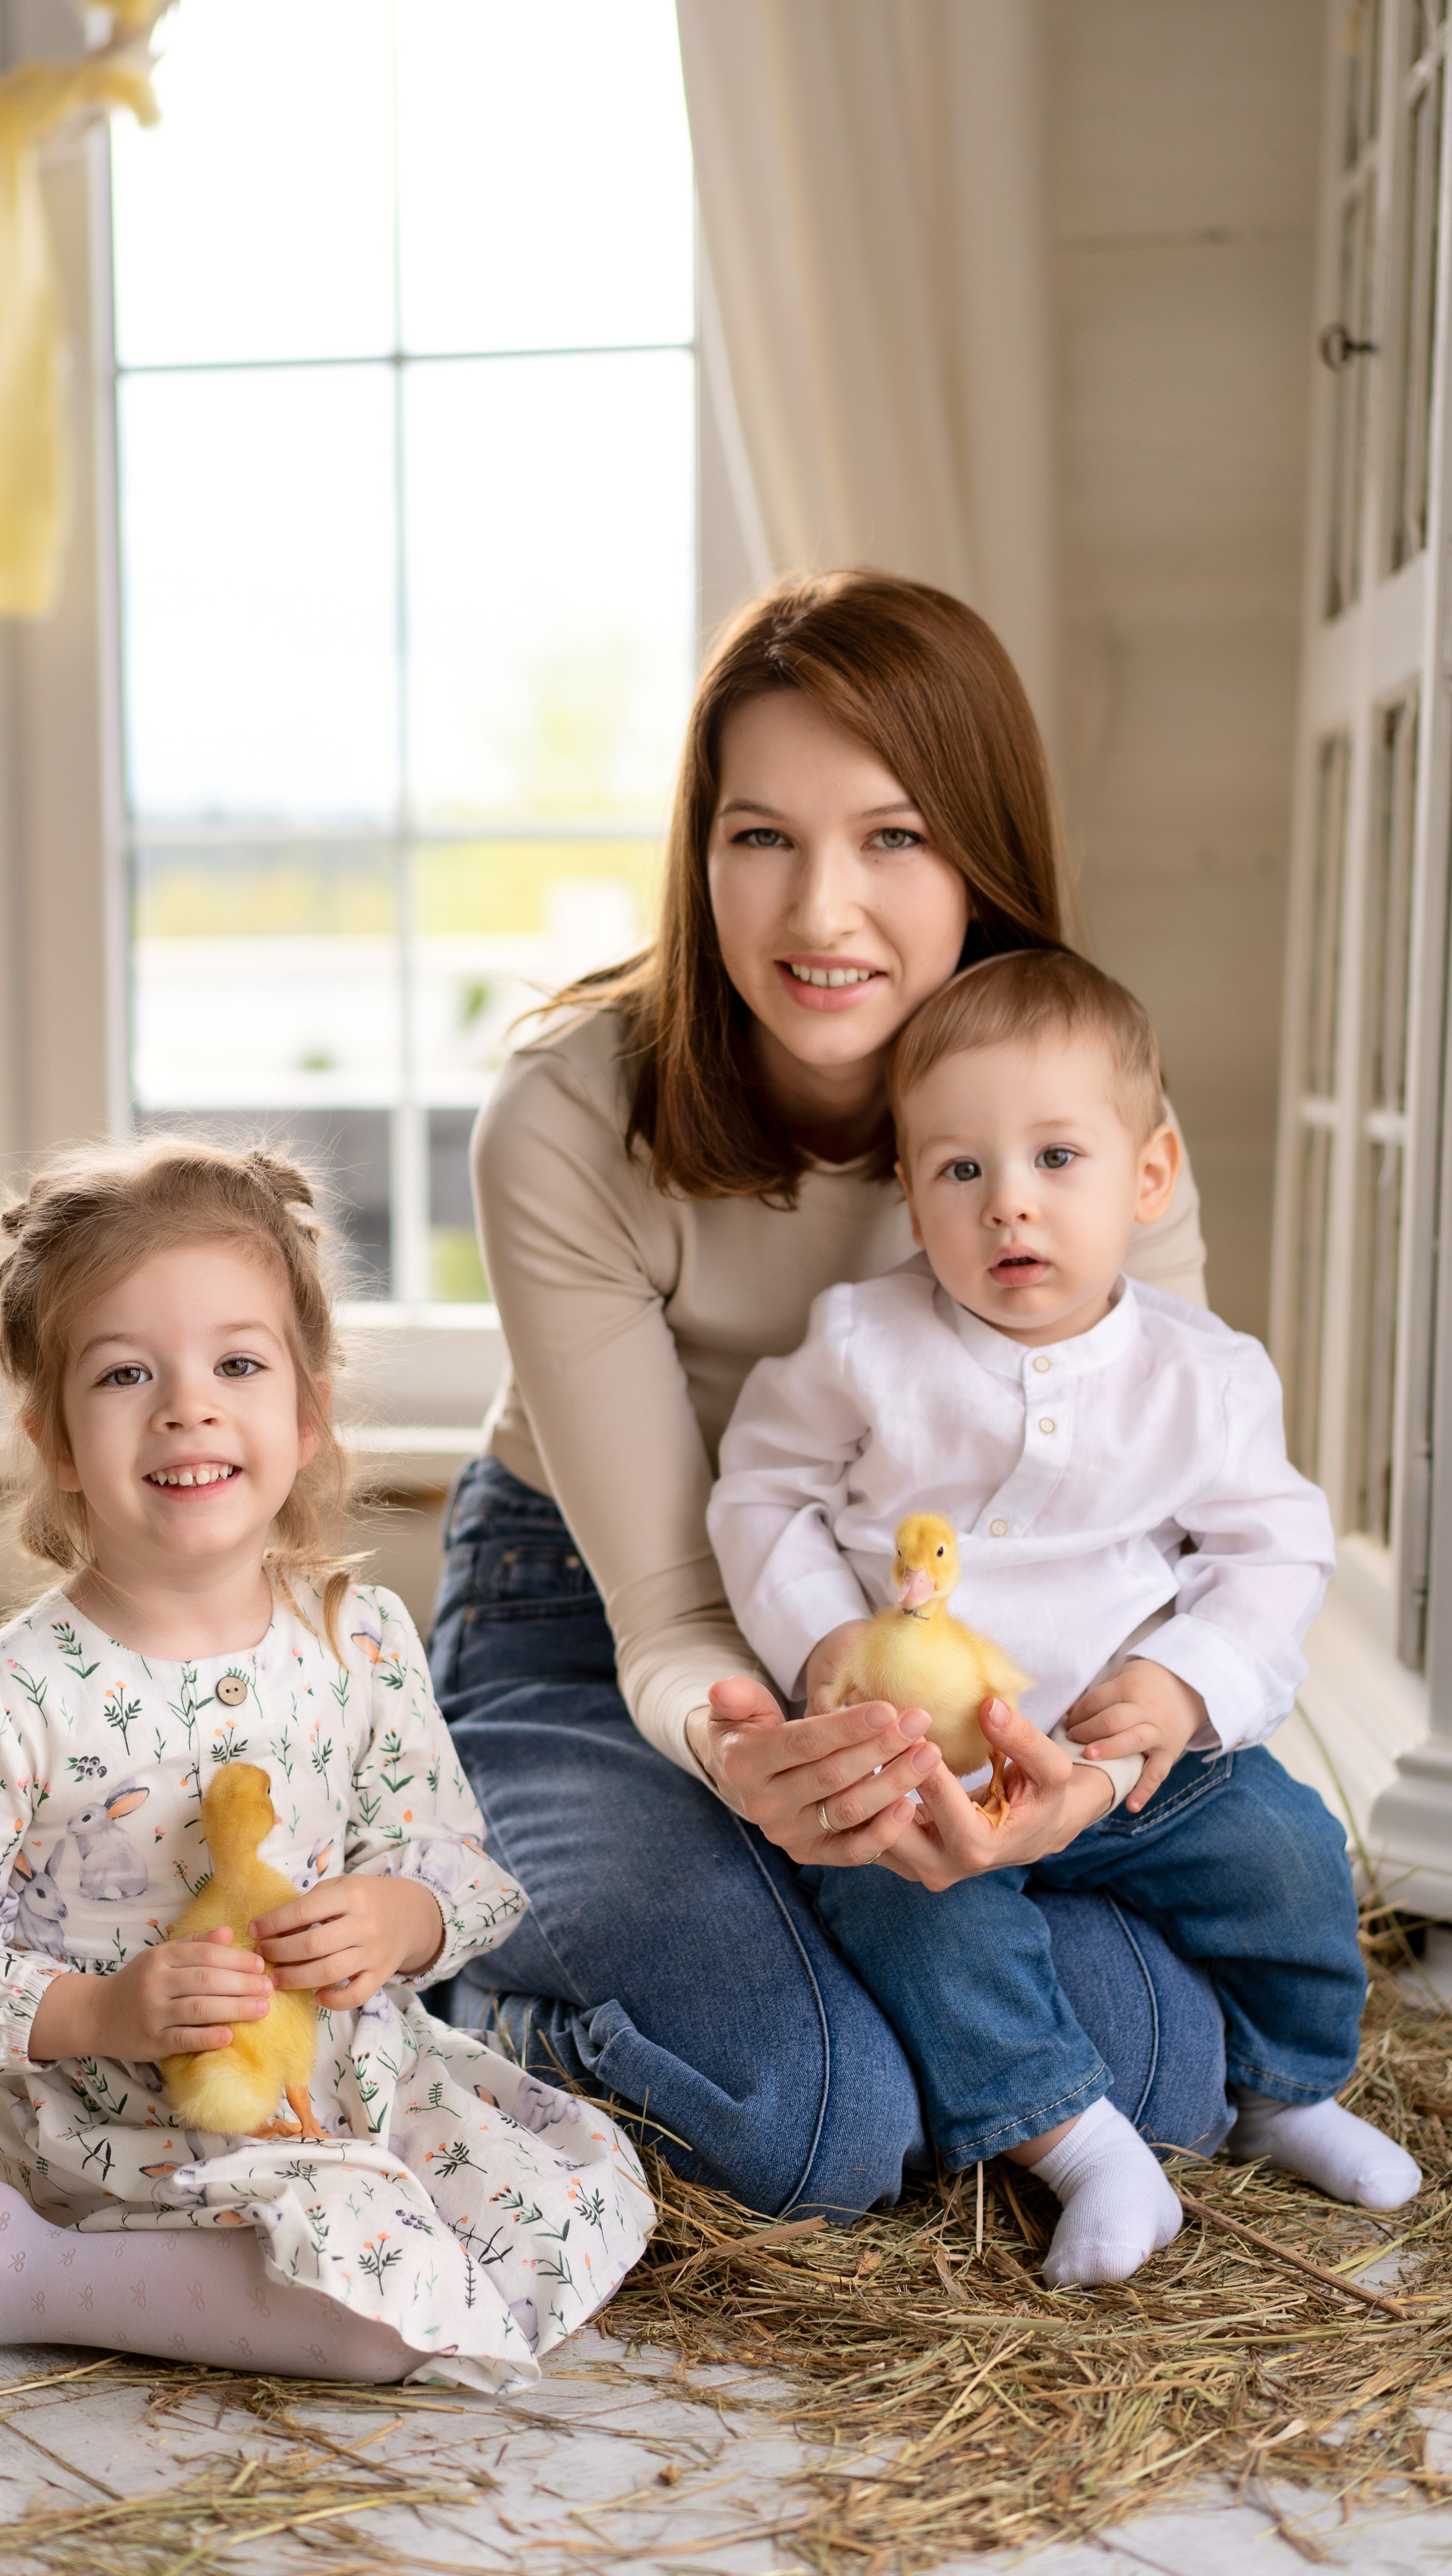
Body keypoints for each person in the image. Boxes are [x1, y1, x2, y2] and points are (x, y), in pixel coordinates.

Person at [428, 572, 1235, 2216]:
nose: (817, 913)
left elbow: (1177, 1527)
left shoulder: (1084, 1116)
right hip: (597, 1638)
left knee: (1172, 2067)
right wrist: (748, 1754)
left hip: (990, 1647)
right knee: (814, 2124)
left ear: (978, 856)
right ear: (697, 850)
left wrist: (1067, 1782)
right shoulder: (565, 1122)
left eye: (891, 838)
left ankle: (839, 1983)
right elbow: (666, 1606)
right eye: (757, 837)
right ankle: (447, 2002)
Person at [0, 1141, 652, 2389]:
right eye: (126, 1374)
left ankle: (252, 2262)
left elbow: (445, 1852)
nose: (189, 1407)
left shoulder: (354, 1640)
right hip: (116, 2124)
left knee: (584, 2208)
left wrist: (398, 1917)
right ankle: (15, 2258)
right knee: (382, 2327)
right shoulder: (5, 1705)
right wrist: (104, 2011)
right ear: (56, 1438)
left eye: (237, 1364)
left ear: (307, 1413)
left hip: (342, 2079)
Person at [707, 949, 1417, 2285]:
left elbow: (1273, 1550)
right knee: (906, 1916)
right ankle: (1082, 2145)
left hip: (1128, 1761)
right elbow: (761, 1496)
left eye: (1055, 1160)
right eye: (961, 1170)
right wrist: (822, 1649)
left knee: (1292, 1855)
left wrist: (1181, 1684)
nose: (1008, 1206)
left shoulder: (1201, 1375)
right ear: (912, 1194)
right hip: (933, 1774)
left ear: (1147, 1178)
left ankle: (1289, 2087)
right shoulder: (864, 1346)